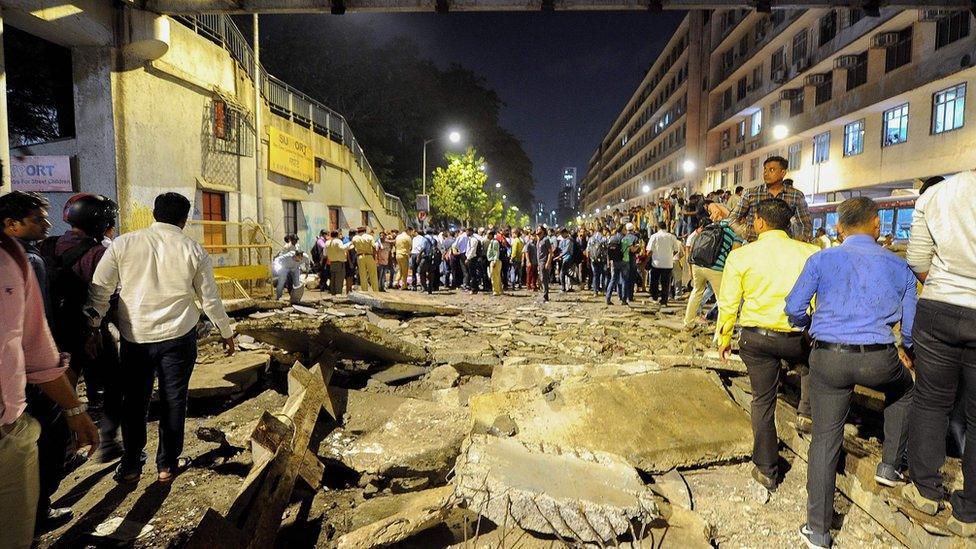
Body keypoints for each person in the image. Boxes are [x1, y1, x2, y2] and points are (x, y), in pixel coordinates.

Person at [785, 197, 917, 549]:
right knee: (905, 391)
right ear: (877, 224)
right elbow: (910, 327)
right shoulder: (898, 265)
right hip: (879, 358)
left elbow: (794, 308)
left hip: (829, 359)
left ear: (839, 228)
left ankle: (818, 530)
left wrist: (810, 325)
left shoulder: (821, 259)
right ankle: (890, 467)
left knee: (825, 441)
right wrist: (905, 348)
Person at [86, 193, 235, 484]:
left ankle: (130, 464)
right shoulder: (193, 249)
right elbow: (210, 299)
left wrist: (93, 325)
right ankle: (166, 465)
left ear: (154, 213)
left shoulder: (123, 243)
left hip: (136, 336)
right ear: (184, 219)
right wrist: (226, 333)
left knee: (135, 400)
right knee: (174, 399)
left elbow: (100, 290)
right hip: (178, 337)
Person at [0, 229, 99, 548]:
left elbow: (35, 346)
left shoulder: (13, 257)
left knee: (16, 536)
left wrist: (75, 410)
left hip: (10, 433)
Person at [716, 198, 819, 492]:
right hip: (798, 337)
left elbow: (729, 303)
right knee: (811, 364)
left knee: (763, 400)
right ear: (788, 223)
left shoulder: (741, 256)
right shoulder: (811, 253)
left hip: (757, 339)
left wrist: (724, 338)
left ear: (759, 222)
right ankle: (806, 412)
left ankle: (766, 469)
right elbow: (818, 300)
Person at [902, 170, 976, 537]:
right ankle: (969, 514)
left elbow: (917, 259)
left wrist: (947, 286)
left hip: (939, 309)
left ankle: (926, 491)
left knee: (931, 402)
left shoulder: (937, 194)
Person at [1, 192, 79, 533]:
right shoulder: (23, 260)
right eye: (38, 219)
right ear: (11, 224)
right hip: (22, 394)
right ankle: (39, 509)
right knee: (49, 436)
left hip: (18, 390)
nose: (47, 225)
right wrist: (74, 408)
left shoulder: (23, 256)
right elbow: (35, 333)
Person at [684, 202, 744, 328]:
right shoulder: (736, 232)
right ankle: (720, 333)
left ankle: (688, 323)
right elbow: (734, 254)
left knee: (696, 291)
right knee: (722, 300)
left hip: (698, 263)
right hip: (716, 268)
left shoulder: (715, 224)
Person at [729, 156, 812, 242]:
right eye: (765, 169)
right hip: (754, 246)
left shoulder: (796, 196)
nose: (766, 173)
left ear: (782, 173)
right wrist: (745, 232)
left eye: (771, 170)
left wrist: (799, 242)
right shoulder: (751, 194)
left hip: (782, 248)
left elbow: (805, 224)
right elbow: (732, 218)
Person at [645, 224, 681, 306]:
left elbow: (649, 251)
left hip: (656, 263)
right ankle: (664, 301)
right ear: (666, 227)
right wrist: (669, 256)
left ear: (658, 227)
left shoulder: (654, 236)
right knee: (666, 283)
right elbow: (676, 250)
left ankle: (654, 298)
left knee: (654, 282)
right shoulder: (672, 237)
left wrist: (647, 260)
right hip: (668, 263)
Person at [352, 227, 379, 292]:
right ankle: (376, 291)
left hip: (360, 256)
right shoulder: (369, 237)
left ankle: (365, 292)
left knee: (362, 275)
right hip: (369, 256)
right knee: (373, 274)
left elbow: (353, 247)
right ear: (365, 231)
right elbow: (374, 247)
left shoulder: (355, 238)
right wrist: (375, 257)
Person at [606, 225, 627, 306]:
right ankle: (623, 300)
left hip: (614, 262)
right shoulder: (624, 239)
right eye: (624, 229)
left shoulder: (612, 238)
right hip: (623, 261)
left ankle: (608, 298)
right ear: (621, 230)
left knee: (613, 280)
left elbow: (608, 251)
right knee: (623, 280)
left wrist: (609, 261)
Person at [324, 231, 351, 295]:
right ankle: (338, 294)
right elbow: (342, 248)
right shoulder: (338, 241)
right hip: (339, 263)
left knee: (333, 279)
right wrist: (349, 244)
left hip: (332, 263)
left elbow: (325, 253)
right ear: (338, 235)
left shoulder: (327, 243)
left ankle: (332, 293)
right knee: (339, 279)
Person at [586, 227, 608, 295]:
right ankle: (603, 290)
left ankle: (595, 291)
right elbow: (607, 250)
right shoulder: (604, 238)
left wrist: (588, 260)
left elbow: (588, 250)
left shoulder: (591, 238)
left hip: (593, 259)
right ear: (602, 230)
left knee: (595, 275)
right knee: (604, 275)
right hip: (602, 259)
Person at [537, 226, 554, 302]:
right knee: (541, 278)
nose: (537, 231)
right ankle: (544, 294)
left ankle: (545, 296)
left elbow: (550, 252)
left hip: (544, 262)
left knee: (544, 279)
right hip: (540, 262)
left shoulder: (546, 240)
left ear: (543, 231)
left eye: (539, 229)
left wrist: (548, 262)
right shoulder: (538, 240)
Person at [487, 230, 503, 296]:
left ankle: (496, 291)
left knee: (494, 277)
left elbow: (496, 252)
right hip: (494, 260)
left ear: (491, 235)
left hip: (495, 261)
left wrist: (494, 261)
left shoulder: (495, 242)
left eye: (488, 234)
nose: (487, 235)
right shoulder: (492, 242)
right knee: (497, 277)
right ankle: (499, 290)